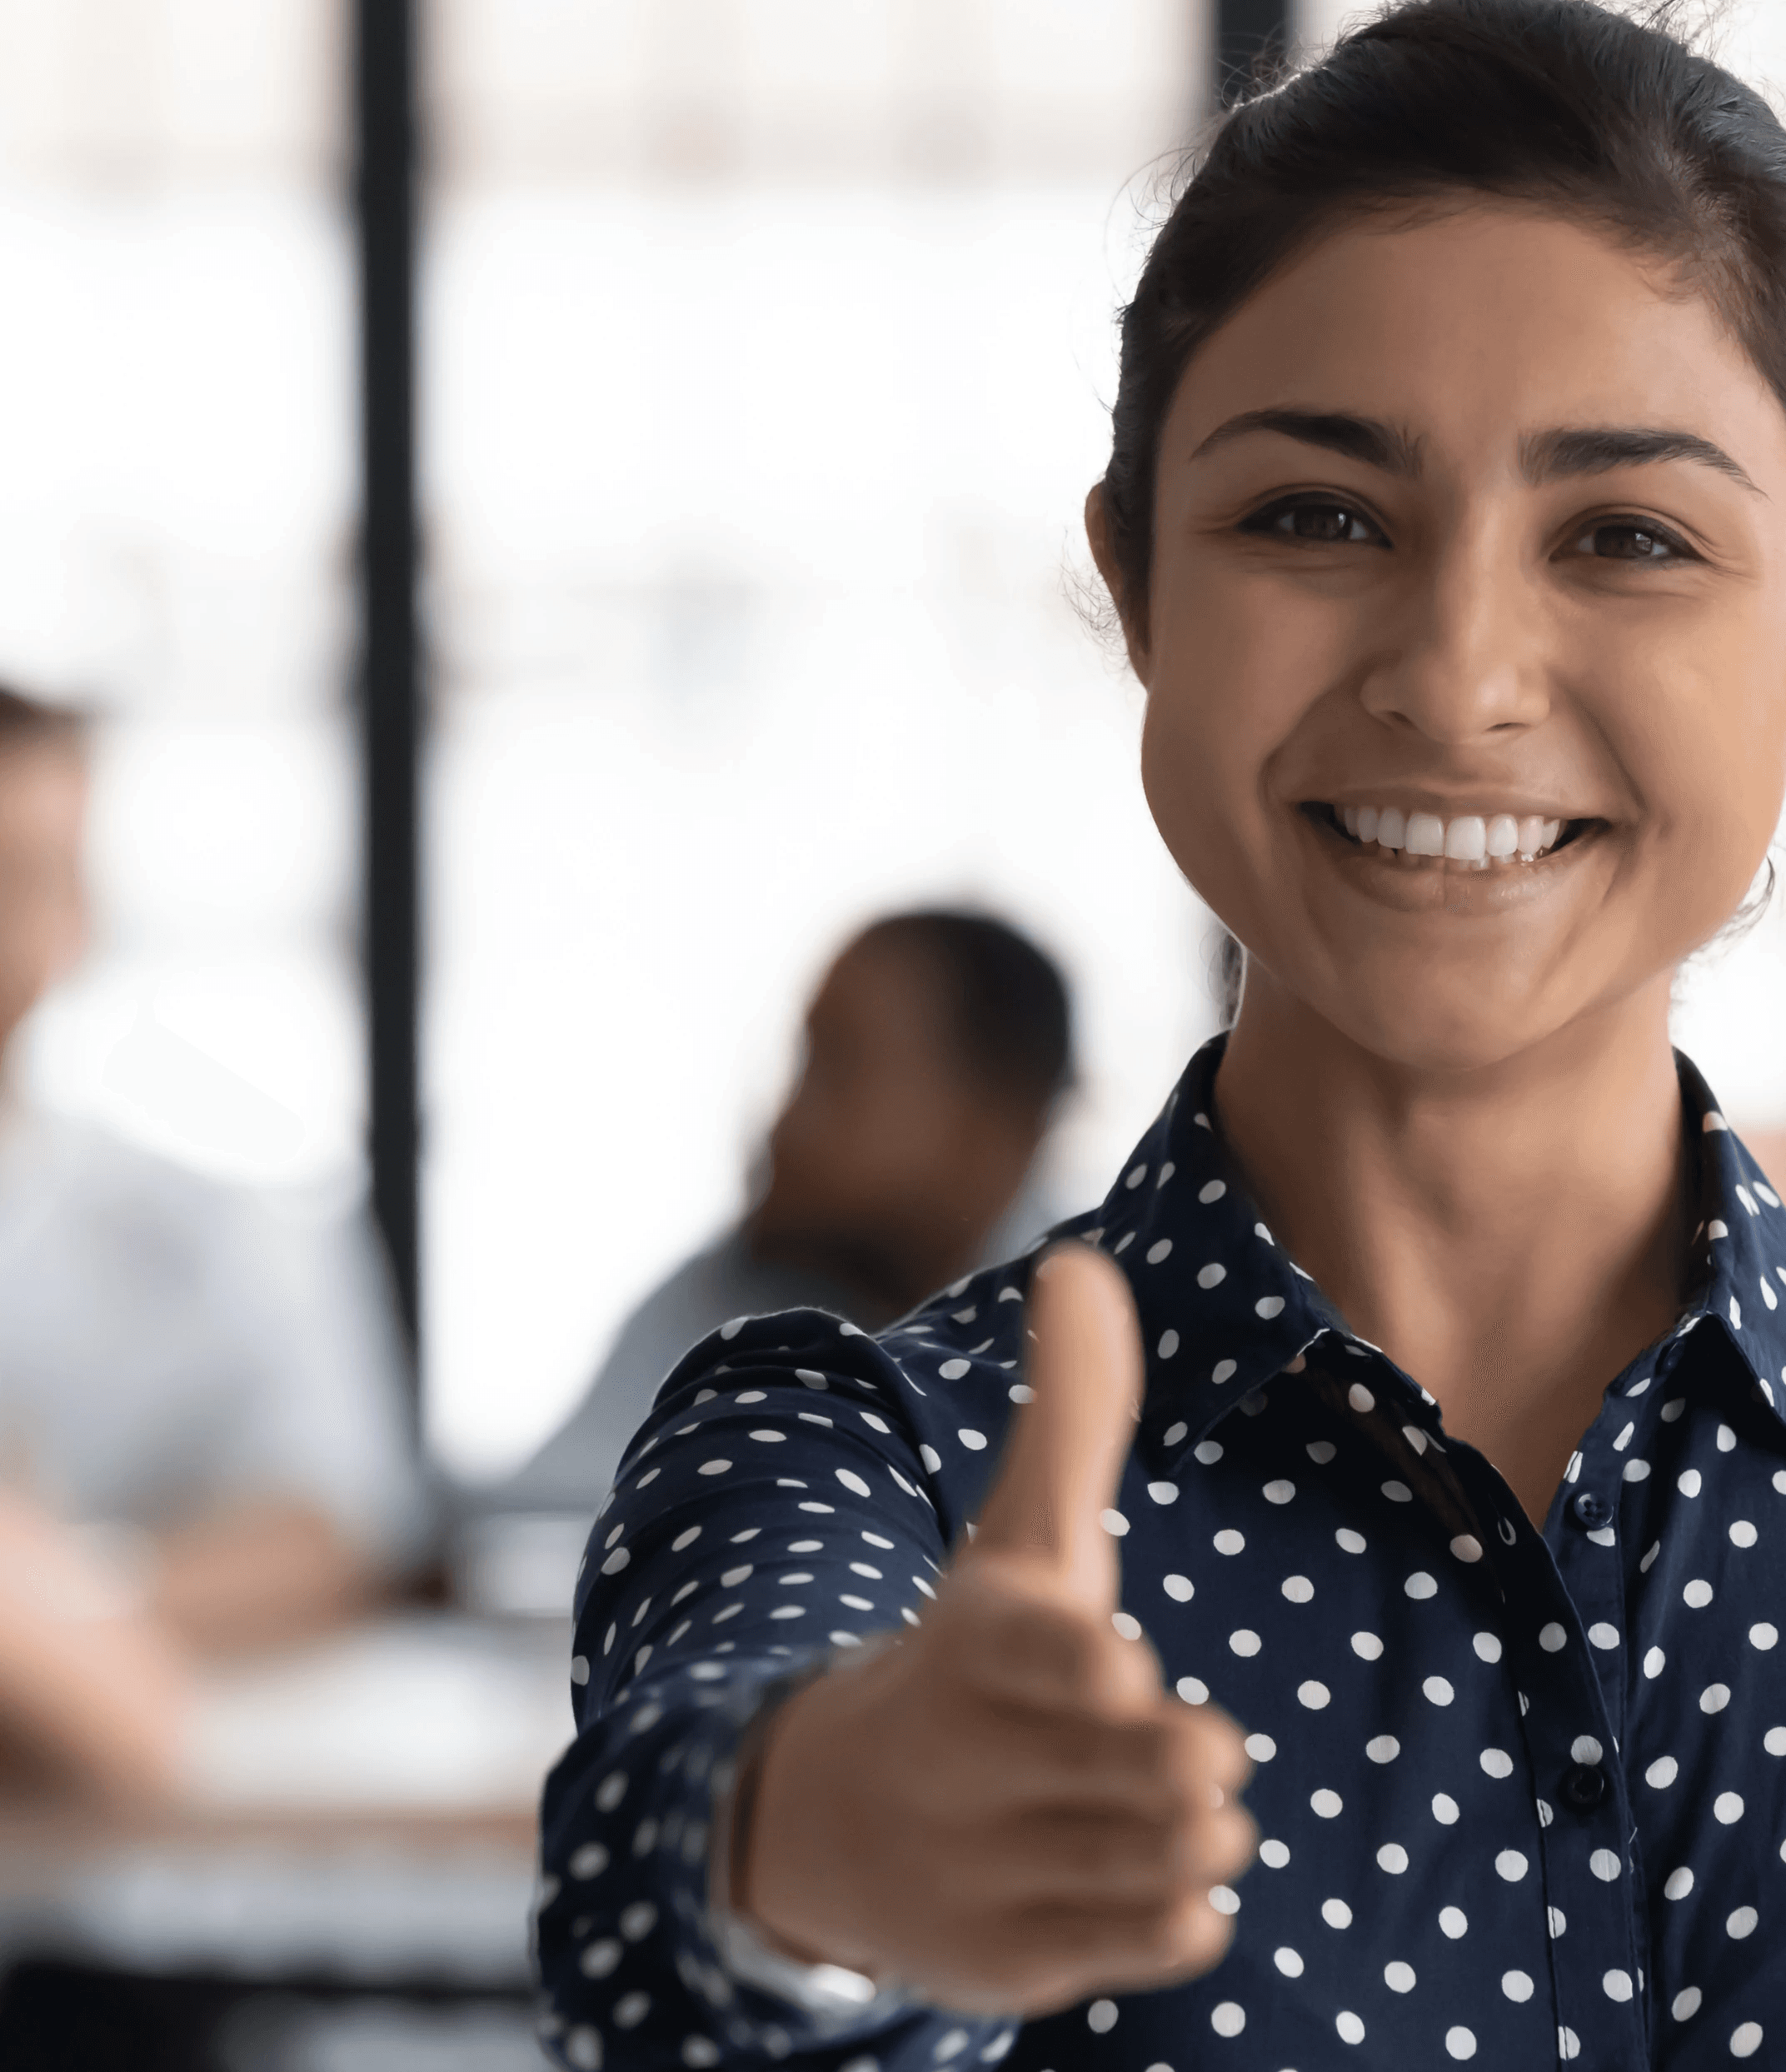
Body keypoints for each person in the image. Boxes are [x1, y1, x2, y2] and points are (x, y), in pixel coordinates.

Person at [537, 0, 1786, 2072]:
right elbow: (656, 1916)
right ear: (1137, 587)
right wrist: (826, 1858)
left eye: (1627, 536)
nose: (1459, 669)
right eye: (1318, 516)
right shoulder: (869, 1465)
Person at [0, 687, 419, 1802]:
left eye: (18, 879)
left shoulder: (219, 1221)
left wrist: (55, 1608)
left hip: (128, 1855)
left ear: (78, 909)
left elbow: (335, 1529)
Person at [497, 910, 1073, 1515]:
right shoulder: (717, 1296)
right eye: (803, 1061)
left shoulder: (1115, 1354)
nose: (785, 1126)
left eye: (839, 1067)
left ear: (995, 1126)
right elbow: (530, 1527)